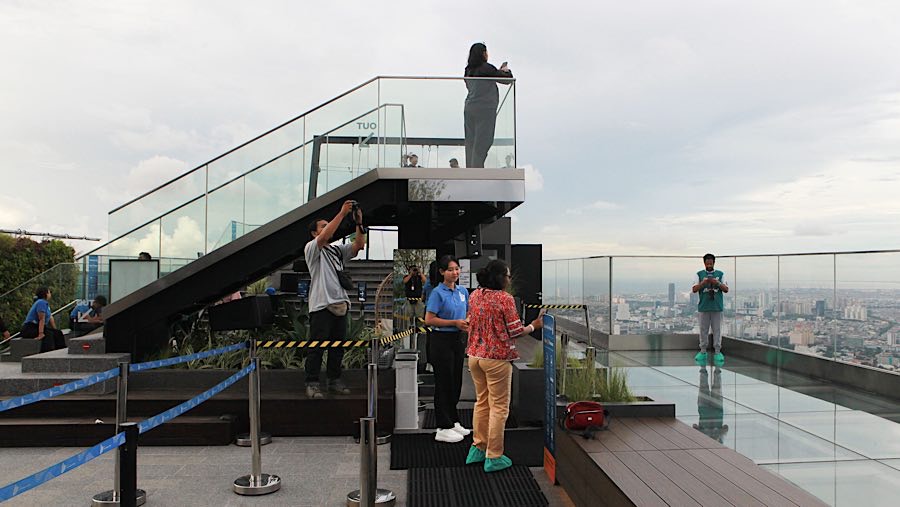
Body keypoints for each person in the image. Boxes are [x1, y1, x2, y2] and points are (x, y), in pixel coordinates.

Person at [464, 260, 543, 472]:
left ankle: (477, 448)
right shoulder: (504, 299)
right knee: (499, 407)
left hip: (474, 356)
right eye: (507, 276)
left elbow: (470, 321)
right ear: (500, 278)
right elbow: (515, 331)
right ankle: (494, 456)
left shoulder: (475, 295)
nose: (509, 280)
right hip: (497, 359)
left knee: (482, 403)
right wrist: (533, 326)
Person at [304, 200, 366, 398]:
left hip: (340, 304)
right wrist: (341, 214)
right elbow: (325, 236)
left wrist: (359, 223)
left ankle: (334, 380)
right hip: (321, 305)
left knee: (337, 347)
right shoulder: (312, 249)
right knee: (317, 347)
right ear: (314, 233)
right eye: (322, 226)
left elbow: (358, 245)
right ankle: (312, 383)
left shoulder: (337, 251)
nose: (327, 227)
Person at [424, 255, 470, 443]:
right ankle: (443, 425)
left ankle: (453, 419)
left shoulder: (462, 291)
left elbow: (467, 311)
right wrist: (454, 322)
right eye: (450, 269)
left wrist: (466, 322)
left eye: (457, 269)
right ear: (443, 272)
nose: (455, 273)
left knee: (456, 380)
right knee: (443, 382)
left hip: (457, 339)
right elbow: (429, 319)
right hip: (441, 339)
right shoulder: (437, 292)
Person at [464, 42, 513, 168]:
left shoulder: (468, 70)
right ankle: (477, 169)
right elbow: (506, 79)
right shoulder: (486, 68)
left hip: (470, 107)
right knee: (484, 140)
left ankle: (470, 169)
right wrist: (504, 70)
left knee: (471, 141)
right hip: (485, 108)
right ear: (483, 53)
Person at [691, 253, 729, 366]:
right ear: (704, 263)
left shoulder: (720, 274)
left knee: (717, 330)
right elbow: (694, 289)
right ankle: (703, 351)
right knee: (703, 330)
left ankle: (717, 351)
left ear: (714, 263)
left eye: (711, 263)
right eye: (707, 263)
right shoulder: (699, 274)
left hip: (717, 307)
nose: (709, 264)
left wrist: (716, 282)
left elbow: (726, 289)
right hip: (704, 307)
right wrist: (703, 283)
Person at [20, 287, 66, 352]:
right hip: (29, 328)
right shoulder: (41, 303)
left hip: (37, 327)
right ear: (46, 294)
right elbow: (41, 319)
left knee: (58, 333)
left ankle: (60, 352)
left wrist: (55, 329)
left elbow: (50, 318)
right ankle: (45, 354)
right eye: (49, 292)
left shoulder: (45, 304)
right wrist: (41, 333)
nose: (50, 294)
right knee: (48, 335)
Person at [693, 365, 729, 443]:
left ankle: (709, 368)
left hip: (708, 409)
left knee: (708, 387)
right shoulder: (718, 441)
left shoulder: (703, 440)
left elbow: (694, 427)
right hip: (712, 409)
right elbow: (726, 428)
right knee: (713, 388)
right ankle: (713, 368)